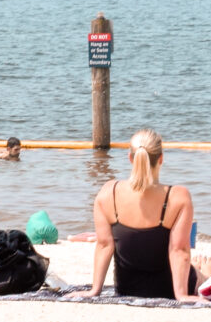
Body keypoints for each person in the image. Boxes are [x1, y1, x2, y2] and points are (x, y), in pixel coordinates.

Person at [76, 128, 197, 301]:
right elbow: (179, 249)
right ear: (161, 159)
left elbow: (104, 245)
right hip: (168, 289)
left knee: (198, 268)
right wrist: (181, 295)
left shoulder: (108, 193)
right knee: (202, 274)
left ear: (130, 158)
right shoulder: (178, 196)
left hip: (127, 288)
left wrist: (94, 290)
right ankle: (204, 272)